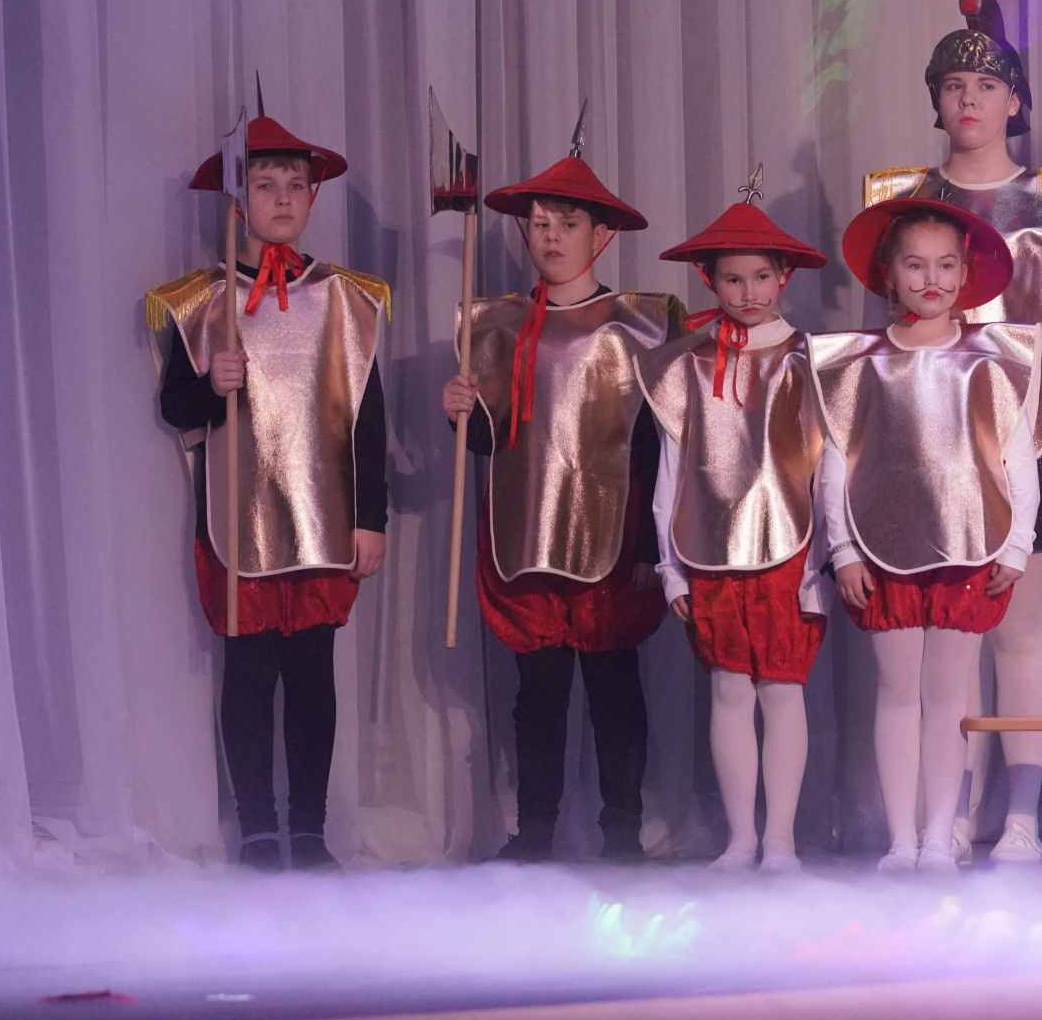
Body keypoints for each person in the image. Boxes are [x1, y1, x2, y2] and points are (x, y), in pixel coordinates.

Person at [863, 0, 1042, 864]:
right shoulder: (902, 200)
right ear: (935, 99)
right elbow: (881, 348)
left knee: (1019, 630)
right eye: (953, 86)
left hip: (1027, 442)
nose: (969, 99)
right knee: (943, 645)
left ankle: (1021, 816)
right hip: (924, 454)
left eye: (985, 86)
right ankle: (946, 813)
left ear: (1014, 100)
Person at [147, 113, 388, 870]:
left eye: (294, 184)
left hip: (322, 516)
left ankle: (309, 829)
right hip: (238, 518)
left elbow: (366, 414)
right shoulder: (204, 300)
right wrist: (208, 384)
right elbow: (177, 409)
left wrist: (372, 517)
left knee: (312, 671)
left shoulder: (344, 299)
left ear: (313, 197)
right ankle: (256, 828)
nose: (281, 197)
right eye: (264, 184)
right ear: (238, 198)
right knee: (249, 671)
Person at [443, 134, 682, 862]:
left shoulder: (640, 323)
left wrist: (651, 542)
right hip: (527, 530)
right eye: (540, 223)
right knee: (538, 691)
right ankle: (535, 832)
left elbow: (658, 438)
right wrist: (460, 413)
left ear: (600, 235)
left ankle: (622, 831)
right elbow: (490, 441)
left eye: (568, 223)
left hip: (613, 531)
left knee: (614, 687)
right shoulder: (498, 322)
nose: (551, 236)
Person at [814, 199, 1040, 873]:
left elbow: (1016, 457)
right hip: (882, 552)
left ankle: (940, 834)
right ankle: (901, 838)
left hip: (968, 549)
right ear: (889, 272)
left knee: (946, 696)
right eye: (915, 265)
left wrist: (1017, 543)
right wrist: (842, 549)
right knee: (895, 692)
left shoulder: (990, 357)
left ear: (964, 273)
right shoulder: (860, 361)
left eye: (944, 265)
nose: (931, 278)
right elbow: (835, 461)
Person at [642, 180, 830, 874]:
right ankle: (740, 838)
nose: (747, 292)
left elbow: (829, 468)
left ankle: (779, 838)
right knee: (727, 688)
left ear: (783, 277)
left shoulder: (810, 359)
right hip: (711, 551)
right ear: (709, 280)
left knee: (781, 687)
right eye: (732, 279)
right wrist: (670, 568)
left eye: (760, 276)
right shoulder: (687, 363)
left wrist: (824, 559)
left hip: (790, 550)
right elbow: (672, 470)